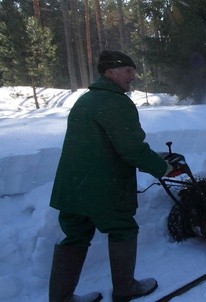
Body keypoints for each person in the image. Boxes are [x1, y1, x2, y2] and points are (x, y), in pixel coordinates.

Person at [48, 50, 175, 302]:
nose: (133, 76)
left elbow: (102, 142)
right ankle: (125, 288)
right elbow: (131, 149)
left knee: (75, 234)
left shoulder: (85, 100)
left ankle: (61, 299)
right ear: (110, 72)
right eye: (128, 70)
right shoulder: (116, 102)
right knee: (123, 229)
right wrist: (162, 167)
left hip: (72, 186)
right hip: (103, 187)